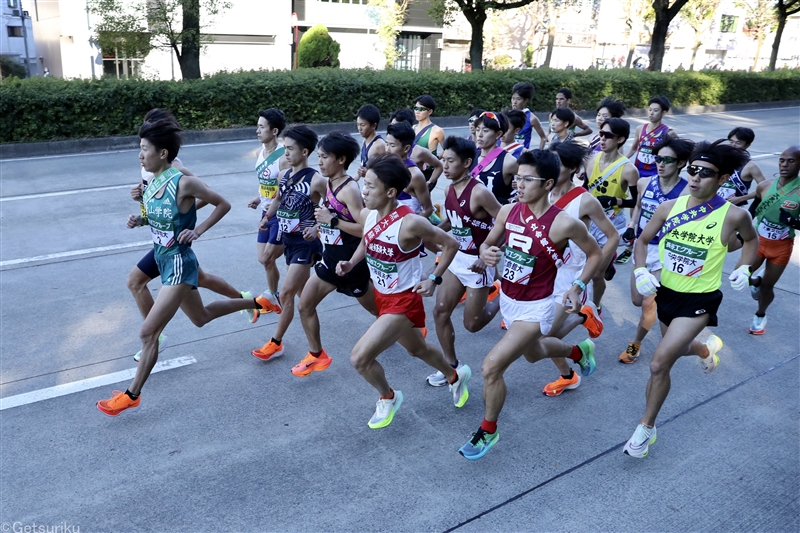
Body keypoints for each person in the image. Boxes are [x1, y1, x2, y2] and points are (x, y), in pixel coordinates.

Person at [97, 118, 272, 416]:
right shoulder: (151, 184)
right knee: (200, 318)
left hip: (179, 263)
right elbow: (161, 218)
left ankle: (131, 394)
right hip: (163, 258)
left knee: (148, 333)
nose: (140, 155)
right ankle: (256, 302)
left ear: (162, 153)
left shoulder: (183, 180)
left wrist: (198, 230)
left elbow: (222, 203)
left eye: (144, 149)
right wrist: (140, 220)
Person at [459, 150, 601, 460]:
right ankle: (578, 352)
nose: (518, 184)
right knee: (534, 353)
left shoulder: (565, 223)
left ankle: (488, 430)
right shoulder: (508, 211)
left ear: (548, 183)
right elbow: (488, 243)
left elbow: (595, 253)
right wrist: (486, 254)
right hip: (509, 300)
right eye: (517, 178)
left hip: (539, 306)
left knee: (491, 367)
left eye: (527, 179)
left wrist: (578, 286)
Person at [623, 140, 757, 458]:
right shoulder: (669, 208)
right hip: (667, 293)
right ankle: (704, 347)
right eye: (692, 170)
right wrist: (640, 269)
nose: (695, 177)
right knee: (675, 353)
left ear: (723, 178)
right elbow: (642, 240)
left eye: (705, 173)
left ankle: (646, 429)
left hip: (701, 299)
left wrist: (745, 268)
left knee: (658, 363)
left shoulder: (733, 215)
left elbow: (751, 241)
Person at [336, 154, 470, 429]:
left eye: (371, 186)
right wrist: (352, 262)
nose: (364, 189)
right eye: (365, 183)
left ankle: (388, 397)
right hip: (382, 297)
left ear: (391, 192)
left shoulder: (410, 223)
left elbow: (451, 244)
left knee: (359, 358)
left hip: (404, 300)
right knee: (417, 349)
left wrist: (433, 277)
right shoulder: (368, 214)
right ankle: (455, 376)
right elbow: (368, 238)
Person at [128, 109, 247, 363]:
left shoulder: (178, 170)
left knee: (140, 282)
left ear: (163, 148)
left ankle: (153, 335)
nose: (141, 151)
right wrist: (142, 210)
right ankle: (251, 301)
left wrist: (191, 224)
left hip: (175, 249)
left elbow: (208, 196)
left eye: (147, 140)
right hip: (163, 248)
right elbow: (158, 201)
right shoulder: (147, 164)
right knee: (199, 310)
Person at [294, 132, 378, 376]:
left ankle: (407, 328)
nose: (319, 162)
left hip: (353, 261)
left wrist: (331, 222)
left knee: (376, 311)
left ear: (341, 159)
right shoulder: (327, 182)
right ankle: (317, 355)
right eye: (318, 156)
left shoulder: (350, 190)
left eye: (325, 157)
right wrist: (317, 226)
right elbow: (331, 217)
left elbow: (366, 229)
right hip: (331, 259)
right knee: (305, 305)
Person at [540, 141, 618, 397]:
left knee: (543, 336)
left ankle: (570, 370)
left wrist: (594, 270)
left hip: (570, 277)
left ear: (573, 168)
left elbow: (612, 236)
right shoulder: (543, 191)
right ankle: (570, 366)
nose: (549, 168)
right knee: (539, 336)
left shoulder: (584, 200)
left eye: (557, 163)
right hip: (542, 273)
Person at [428, 136, 502, 386]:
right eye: (443, 160)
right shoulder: (449, 189)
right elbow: (453, 221)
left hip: (478, 263)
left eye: (450, 161)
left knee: (472, 324)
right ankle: (452, 366)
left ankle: (503, 296)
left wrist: (487, 253)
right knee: (439, 312)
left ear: (467, 162)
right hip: (457, 259)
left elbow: (507, 225)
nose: (445, 166)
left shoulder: (480, 192)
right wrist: (429, 228)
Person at [252, 125, 327, 361]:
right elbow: (278, 200)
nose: (286, 153)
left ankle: (276, 343)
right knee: (305, 302)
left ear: (305, 152)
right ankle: (317, 352)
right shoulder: (284, 175)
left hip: (306, 245)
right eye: (285, 148)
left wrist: (317, 227)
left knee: (285, 293)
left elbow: (336, 207)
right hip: (289, 242)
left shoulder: (316, 180)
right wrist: (266, 217)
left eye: (291, 149)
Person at [619, 136, 693, 364]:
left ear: (680, 163)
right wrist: (632, 226)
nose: (660, 164)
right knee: (635, 299)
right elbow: (639, 206)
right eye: (657, 159)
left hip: (665, 254)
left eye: (667, 160)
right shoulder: (644, 183)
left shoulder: (686, 191)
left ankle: (636, 343)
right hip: (642, 248)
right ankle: (665, 307)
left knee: (647, 302)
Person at [585, 118, 639, 309]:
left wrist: (614, 201)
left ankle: (595, 306)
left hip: (611, 224)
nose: (603, 139)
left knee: (597, 274)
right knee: (581, 268)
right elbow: (584, 189)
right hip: (589, 220)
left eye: (609, 136)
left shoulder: (629, 170)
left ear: (621, 139)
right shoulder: (590, 160)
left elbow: (635, 200)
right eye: (601, 133)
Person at [746, 146, 800, 335]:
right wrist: (740, 233)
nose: (784, 164)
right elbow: (752, 211)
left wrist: (794, 222)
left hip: (781, 247)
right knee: (741, 276)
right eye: (782, 160)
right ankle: (756, 281)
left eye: (791, 161)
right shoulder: (765, 186)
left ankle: (760, 316)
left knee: (768, 287)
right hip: (759, 241)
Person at [621, 96, 677, 264]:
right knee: (635, 209)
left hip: (655, 177)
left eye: (656, 110)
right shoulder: (640, 128)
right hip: (639, 176)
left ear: (664, 112)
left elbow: (677, 153)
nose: (651, 113)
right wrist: (621, 161)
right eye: (650, 109)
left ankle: (653, 245)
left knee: (652, 211)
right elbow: (633, 149)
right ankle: (631, 245)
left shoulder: (668, 132)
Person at [248, 108, 289, 312]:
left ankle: (274, 296)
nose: (257, 130)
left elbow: (286, 190)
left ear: (274, 131)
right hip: (265, 212)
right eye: (257, 126)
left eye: (261, 127)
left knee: (267, 258)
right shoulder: (260, 153)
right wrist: (258, 198)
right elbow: (267, 183)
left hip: (280, 215)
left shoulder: (283, 156)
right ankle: (275, 296)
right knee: (262, 259)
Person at [385, 122, 434, 219]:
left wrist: (411, 227)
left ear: (406, 148)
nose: (387, 150)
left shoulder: (415, 175)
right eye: (386, 144)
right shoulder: (386, 168)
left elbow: (428, 209)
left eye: (392, 145)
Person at [390, 108, 444, 192]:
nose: (392, 130)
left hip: (415, 197)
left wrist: (430, 183)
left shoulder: (419, 152)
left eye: (395, 126)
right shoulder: (388, 148)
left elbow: (439, 166)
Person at [473, 111, 518, 205]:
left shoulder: (509, 161)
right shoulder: (471, 157)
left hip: (497, 217)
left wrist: (514, 200)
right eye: (477, 130)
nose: (480, 134)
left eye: (485, 131)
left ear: (498, 134)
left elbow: (531, 185)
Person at [717, 127, 766, 206]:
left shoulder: (750, 166)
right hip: (714, 204)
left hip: (735, 209)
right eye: (731, 141)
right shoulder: (721, 159)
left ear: (747, 145)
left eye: (738, 143)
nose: (733, 145)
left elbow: (765, 188)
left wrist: (741, 198)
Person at [510, 82, 547, 149]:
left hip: (522, 156)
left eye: (518, 99)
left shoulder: (531, 118)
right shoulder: (507, 115)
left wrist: (539, 154)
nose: (514, 102)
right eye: (513, 98)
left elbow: (543, 137)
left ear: (526, 100)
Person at [355, 104, 386, 180]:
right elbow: (364, 165)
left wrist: (367, 173)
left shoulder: (379, 145)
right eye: (358, 124)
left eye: (362, 125)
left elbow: (386, 171)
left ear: (373, 126)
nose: (359, 128)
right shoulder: (364, 142)